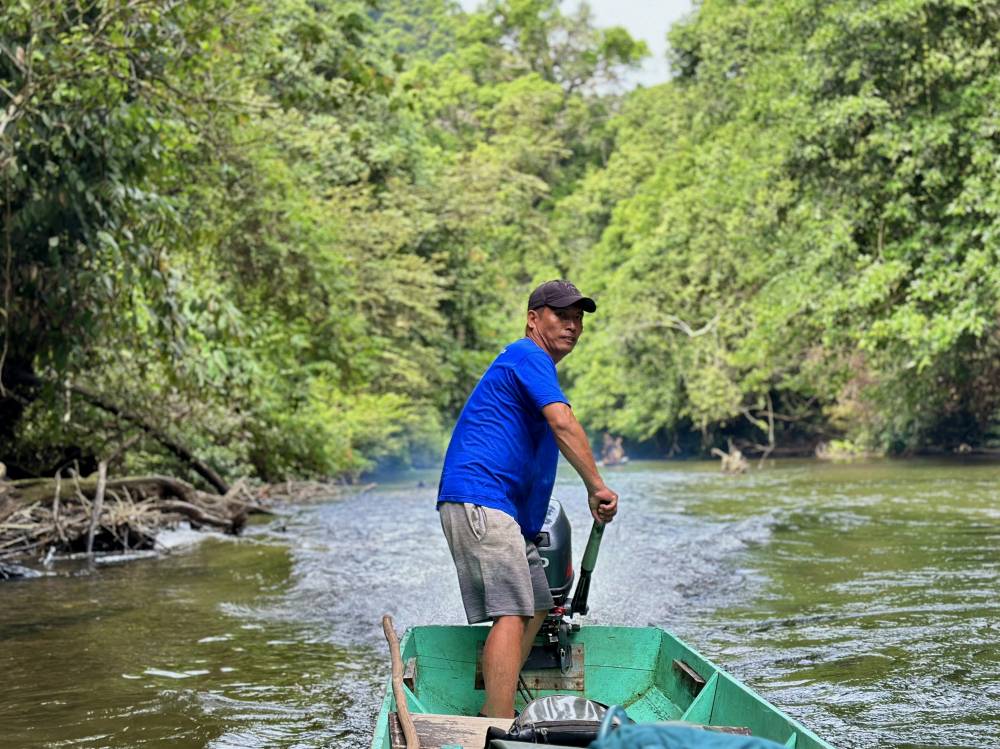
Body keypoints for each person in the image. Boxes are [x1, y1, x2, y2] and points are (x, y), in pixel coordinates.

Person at [437, 279, 619, 718]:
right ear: (533, 319)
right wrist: (597, 485)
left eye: (578, 319)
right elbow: (562, 423)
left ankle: (490, 709)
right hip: (480, 498)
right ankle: (498, 726)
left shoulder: (534, 365)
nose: (572, 326)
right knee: (513, 611)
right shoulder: (528, 355)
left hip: (504, 511)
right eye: (562, 316)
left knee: (539, 605)